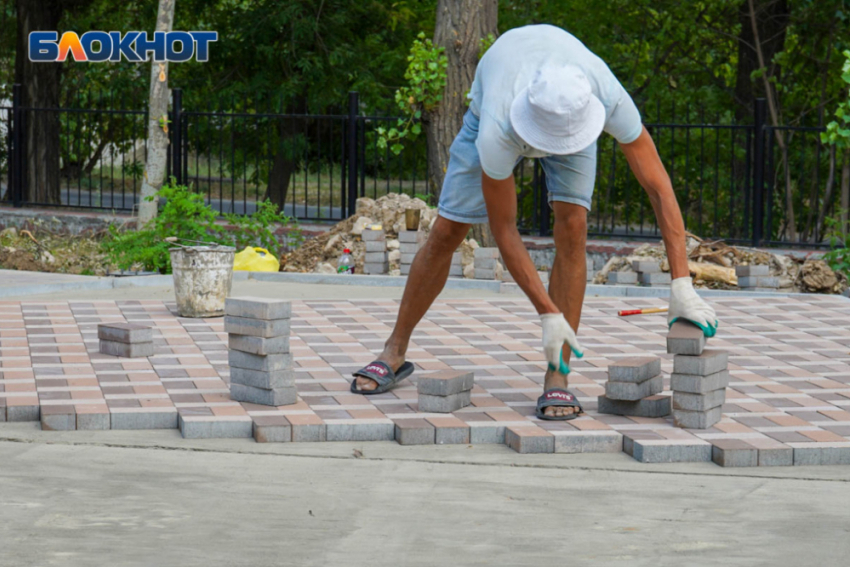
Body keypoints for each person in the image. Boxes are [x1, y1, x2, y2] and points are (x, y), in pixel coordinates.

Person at [351, 24, 717, 420]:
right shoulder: (497, 127)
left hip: (566, 113)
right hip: (499, 103)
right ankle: (395, 349)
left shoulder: (603, 95)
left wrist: (682, 284)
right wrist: (548, 312)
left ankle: (557, 376)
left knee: (573, 229)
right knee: (447, 231)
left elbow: (659, 188)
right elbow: (503, 228)